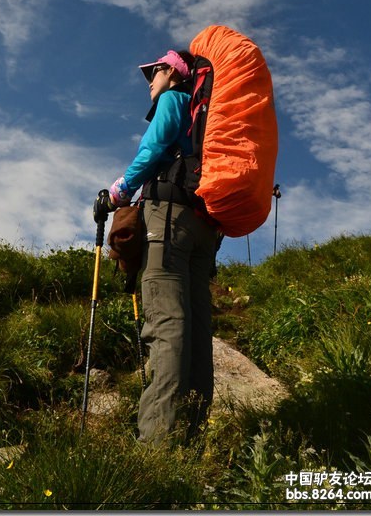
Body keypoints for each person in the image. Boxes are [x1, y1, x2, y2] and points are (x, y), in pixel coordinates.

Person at [97, 48, 221, 446]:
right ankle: (192, 440)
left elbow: (152, 150)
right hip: (203, 228)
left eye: (155, 71)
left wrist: (118, 192)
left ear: (173, 72)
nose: (150, 79)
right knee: (197, 333)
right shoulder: (205, 112)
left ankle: (157, 451)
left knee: (168, 327)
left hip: (168, 220)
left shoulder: (174, 99)